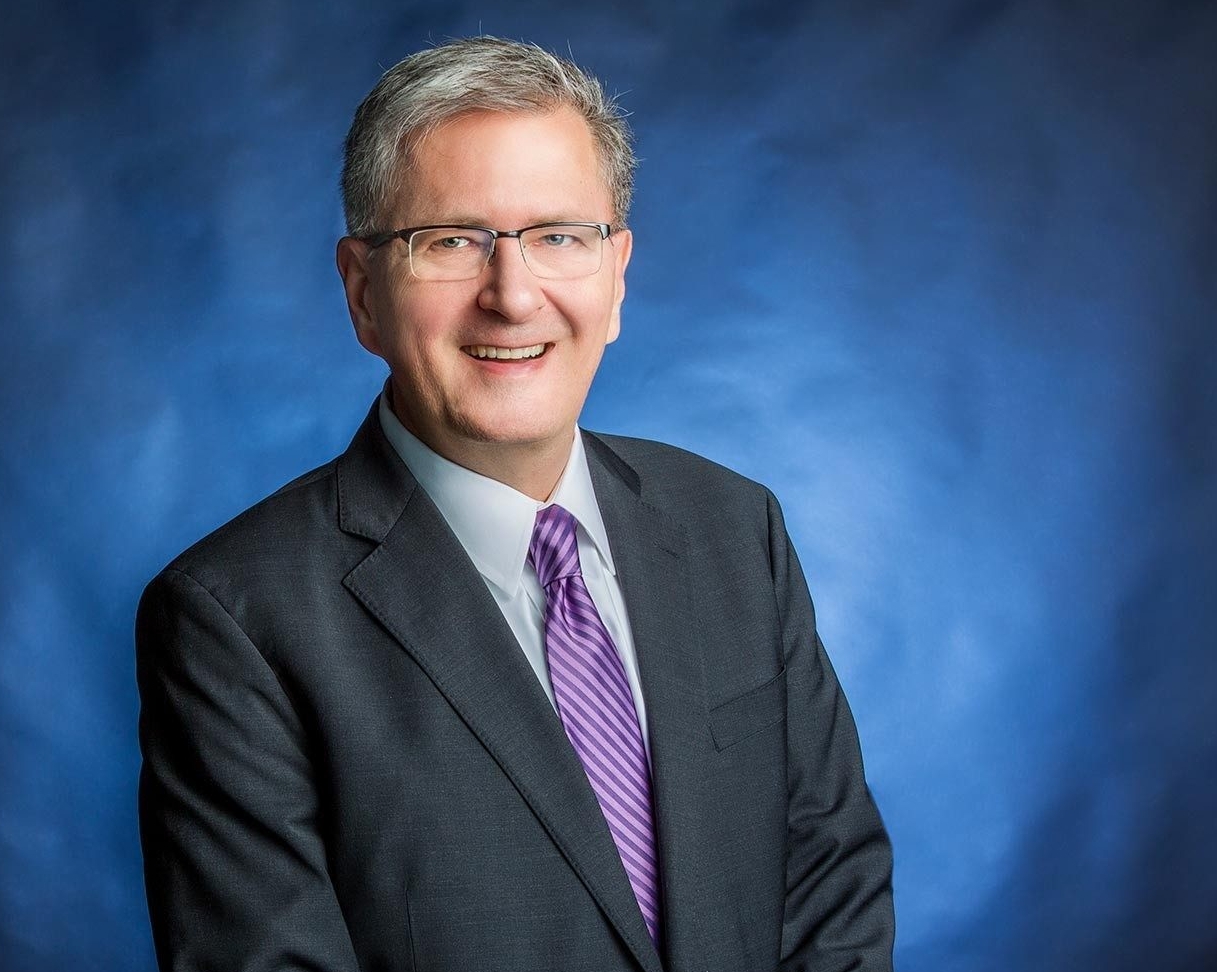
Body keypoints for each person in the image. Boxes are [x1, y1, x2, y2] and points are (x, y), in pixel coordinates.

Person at [136, 36, 895, 972]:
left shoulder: (734, 528)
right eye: (451, 240)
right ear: (362, 294)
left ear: (614, 278)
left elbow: (832, 890)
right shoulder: (234, 617)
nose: (513, 294)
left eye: (558, 237)